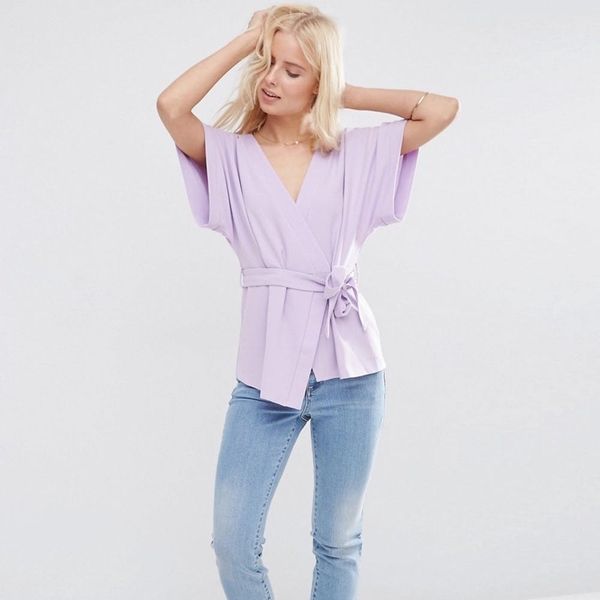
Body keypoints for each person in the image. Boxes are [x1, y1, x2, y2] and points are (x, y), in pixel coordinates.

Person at [157, 4, 458, 599]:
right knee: (233, 541)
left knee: (339, 540)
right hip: (264, 375)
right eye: (268, 63)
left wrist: (341, 92)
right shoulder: (231, 157)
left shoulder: (356, 153)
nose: (271, 78)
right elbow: (171, 107)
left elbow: (441, 109)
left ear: (319, 81)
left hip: (352, 372)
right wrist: (249, 40)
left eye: (293, 71)